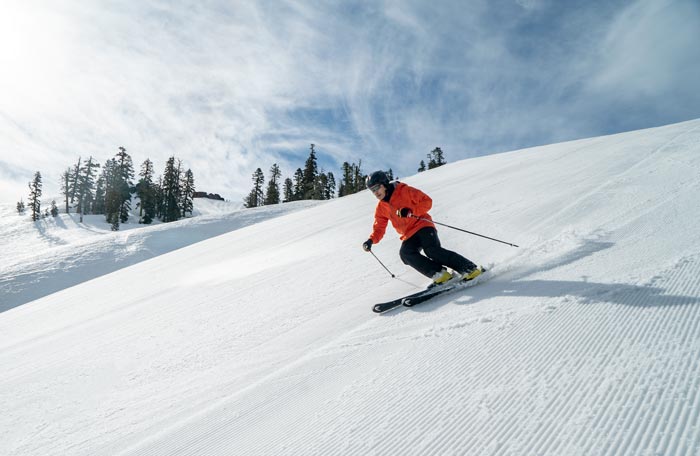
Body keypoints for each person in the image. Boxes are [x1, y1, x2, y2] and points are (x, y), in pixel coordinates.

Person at [362, 170, 481, 286]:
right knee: (406, 254)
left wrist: (411, 211)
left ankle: (470, 269)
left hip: (423, 225)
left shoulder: (404, 191)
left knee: (432, 251)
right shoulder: (381, 208)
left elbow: (427, 201)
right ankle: (440, 274)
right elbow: (379, 227)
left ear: (385, 184)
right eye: (372, 190)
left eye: (377, 188)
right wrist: (371, 240)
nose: (375, 192)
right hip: (409, 234)